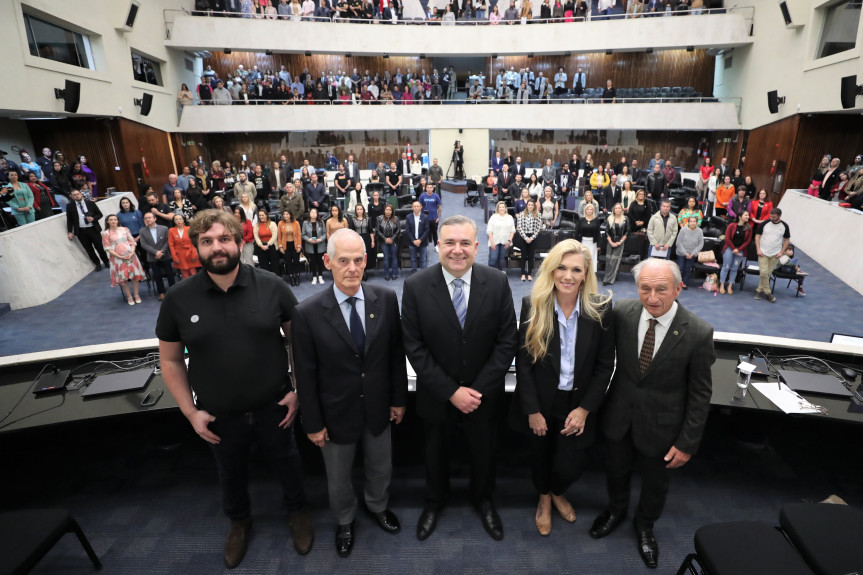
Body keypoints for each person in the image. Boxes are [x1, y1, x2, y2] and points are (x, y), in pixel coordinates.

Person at [156, 210, 314, 569]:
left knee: (288, 462)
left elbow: (300, 344)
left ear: (239, 242)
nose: (217, 248)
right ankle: (239, 521)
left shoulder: (273, 286)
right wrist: (189, 411)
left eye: (224, 239)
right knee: (230, 472)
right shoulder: (178, 299)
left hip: (276, 404)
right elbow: (170, 361)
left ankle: (299, 512)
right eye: (207, 241)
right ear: (196, 247)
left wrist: (299, 390)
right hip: (217, 413)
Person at [590, 258, 715, 569]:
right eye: (644, 289)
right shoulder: (623, 314)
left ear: (678, 288)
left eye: (661, 289)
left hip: (663, 428)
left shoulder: (698, 332)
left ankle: (645, 525)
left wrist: (687, 442)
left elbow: (700, 393)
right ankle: (616, 510)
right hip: (619, 417)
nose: (652, 298)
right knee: (615, 470)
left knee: (655, 483)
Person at [292, 229, 408, 558]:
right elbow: (305, 373)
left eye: (358, 260)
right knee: (339, 476)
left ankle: (378, 506)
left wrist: (399, 399)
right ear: (328, 262)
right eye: (343, 261)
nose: (352, 268)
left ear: (366, 261)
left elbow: (394, 354)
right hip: (334, 413)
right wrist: (312, 422)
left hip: (378, 406)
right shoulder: (307, 312)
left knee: (380, 467)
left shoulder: (385, 299)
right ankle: (345, 520)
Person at [401, 215, 518, 542]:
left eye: (465, 243)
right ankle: (434, 501)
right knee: (434, 453)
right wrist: (451, 392)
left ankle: (483, 499)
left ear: (477, 247)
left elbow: (508, 341)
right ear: (437, 246)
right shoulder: (415, 286)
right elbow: (414, 346)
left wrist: (476, 391)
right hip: (437, 397)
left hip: (484, 397)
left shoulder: (497, 282)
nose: (457, 250)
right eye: (449, 242)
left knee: (485, 453)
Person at [509, 239, 614, 537]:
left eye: (576, 270)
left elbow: (605, 365)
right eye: (562, 268)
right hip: (542, 400)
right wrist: (532, 409)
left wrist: (584, 409)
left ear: (586, 274)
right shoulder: (534, 304)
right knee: (539, 455)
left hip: (578, 401)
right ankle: (544, 498)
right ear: (552, 270)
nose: (568, 276)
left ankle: (557, 491)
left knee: (570, 462)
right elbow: (524, 363)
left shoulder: (601, 309)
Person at [101, 214, 146, 305]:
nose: (113, 221)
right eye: (111, 220)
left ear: (117, 221)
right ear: (107, 221)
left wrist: (132, 252)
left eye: (115, 219)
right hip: (117, 258)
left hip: (130, 255)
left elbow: (132, 242)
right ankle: (129, 296)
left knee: (134, 276)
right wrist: (119, 256)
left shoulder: (125, 229)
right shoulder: (105, 233)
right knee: (123, 278)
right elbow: (107, 248)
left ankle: (136, 294)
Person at [66, 188, 111, 272]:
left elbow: (100, 214)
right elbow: (69, 220)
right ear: (72, 197)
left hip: (93, 229)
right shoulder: (70, 206)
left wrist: (93, 218)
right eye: (74, 195)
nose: (76, 196)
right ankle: (97, 264)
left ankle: (106, 261)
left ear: (81, 194)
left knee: (100, 247)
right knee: (89, 249)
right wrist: (69, 231)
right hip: (81, 231)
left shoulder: (90, 203)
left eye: (77, 194)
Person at [754, 208, 790, 303]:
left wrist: (782, 252)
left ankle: (759, 290)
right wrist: (758, 249)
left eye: (773, 217)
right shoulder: (765, 223)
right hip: (763, 252)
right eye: (770, 216)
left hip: (776, 254)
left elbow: (787, 240)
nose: (771, 218)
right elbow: (757, 236)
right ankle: (768, 293)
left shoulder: (784, 226)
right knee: (763, 273)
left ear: (779, 216)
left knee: (767, 274)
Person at [718, 211, 752, 295]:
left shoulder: (749, 228)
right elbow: (727, 238)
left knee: (734, 268)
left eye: (748, 215)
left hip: (740, 250)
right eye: (746, 215)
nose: (748, 216)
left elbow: (748, 241)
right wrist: (734, 249)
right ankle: (722, 285)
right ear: (740, 217)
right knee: (726, 267)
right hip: (730, 248)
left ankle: (730, 285)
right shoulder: (731, 226)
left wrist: (738, 249)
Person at [169, 213, 202, 279]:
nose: (178, 221)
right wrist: (174, 257)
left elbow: (193, 243)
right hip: (179, 255)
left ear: (183, 220)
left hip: (190, 253)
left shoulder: (189, 229)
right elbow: (171, 245)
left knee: (193, 273)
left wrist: (194, 255)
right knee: (185, 275)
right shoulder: (171, 230)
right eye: (176, 219)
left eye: (180, 219)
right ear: (174, 221)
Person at [517, 198, 543, 282]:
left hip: (533, 237)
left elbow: (538, 228)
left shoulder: (538, 214)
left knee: (531, 256)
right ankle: (523, 273)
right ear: (526, 205)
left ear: (534, 206)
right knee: (523, 255)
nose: (530, 206)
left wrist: (531, 238)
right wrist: (525, 238)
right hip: (523, 236)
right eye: (529, 205)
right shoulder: (521, 214)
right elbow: (519, 227)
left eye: (532, 205)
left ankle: (529, 273)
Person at [674, 216, 704, 290]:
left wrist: (694, 253)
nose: (693, 223)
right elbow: (678, 242)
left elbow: (701, 244)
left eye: (694, 221)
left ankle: (684, 283)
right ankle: (677, 283)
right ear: (688, 222)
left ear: (697, 223)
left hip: (692, 254)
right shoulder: (683, 230)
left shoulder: (700, 231)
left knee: (688, 269)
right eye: (691, 221)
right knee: (680, 268)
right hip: (682, 253)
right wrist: (685, 253)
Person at [603, 203, 629, 285]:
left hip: (620, 243)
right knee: (608, 261)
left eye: (619, 208)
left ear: (621, 209)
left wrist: (620, 242)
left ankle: (608, 280)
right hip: (610, 242)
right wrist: (611, 242)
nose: (618, 209)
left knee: (614, 261)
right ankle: (607, 277)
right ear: (614, 210)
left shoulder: (625, 219)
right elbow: (606, 232)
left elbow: (627, 232)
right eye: (616, 208)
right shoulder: (609, 218)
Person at [486, 201, 515, 272]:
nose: (501, 208)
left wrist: (509, 240)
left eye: (503, 207)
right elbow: (489, 230)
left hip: (505, 242)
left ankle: (500, 272)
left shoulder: (509, 217)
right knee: (493, 258)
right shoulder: (493, 217)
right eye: (500, 207)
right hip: (494, 241)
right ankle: (490, 272)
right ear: (497, 209)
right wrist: (492, 242)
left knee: (502, 259)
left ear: (505, 208)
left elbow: (512, 230)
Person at [349, 204, 375, 281]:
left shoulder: (367, 219)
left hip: (366, 238)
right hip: (356, 238)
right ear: (355, 211)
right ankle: (358, 271)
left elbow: (371, 231)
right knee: (358, 255)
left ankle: (364, 271)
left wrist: (372, 241)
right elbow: (351, 231)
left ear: (363, 210)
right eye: (358, 209)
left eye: (361, 209)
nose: (359, 211)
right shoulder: (352, 219)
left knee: (366, 255)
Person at [375, 203, 401, 281]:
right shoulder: (379, 218)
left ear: (392, 211)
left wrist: (392, 238)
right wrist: (385, 239)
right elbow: (377, 230)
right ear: (384, 210)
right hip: (383, 241)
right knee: (386, 258)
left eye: (390, 210)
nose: (388, 211)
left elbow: (398, 230)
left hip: (394, 241)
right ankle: (386, 274)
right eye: (387, 209)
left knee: (394, 257)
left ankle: (394, 273)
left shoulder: (396, 218)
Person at [277, 209, 303, 286]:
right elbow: (279, 236)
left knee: (296, 261)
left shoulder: (296, 223)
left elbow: (298, 235)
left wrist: (299, 246)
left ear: (290, 215)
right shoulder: (280, 223)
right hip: (286, 245)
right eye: (284, 214)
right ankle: (291, 277)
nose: (285, 216)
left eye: (287, 214)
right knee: (288, 262)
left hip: (294, 244)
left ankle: (297, 276)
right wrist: (280, 247)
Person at [303, 207, 327, 285]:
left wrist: (320, 239)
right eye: (312, 212)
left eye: (315, 213)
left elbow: (325, 234)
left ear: (317, 214)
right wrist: (308, 239)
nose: (313, 214)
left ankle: (320, 276)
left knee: (320, 261)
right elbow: (303, 234)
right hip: (310, 244)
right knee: (312, 261)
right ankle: (314, 276)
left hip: (320, 244)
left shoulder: (321, 222)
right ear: (309, 214)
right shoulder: (305, 223)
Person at [406, 200, 430, 273]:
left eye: (417, 206)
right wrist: (413, 240)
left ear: (421, 207)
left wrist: (420, 240)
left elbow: (427, 230)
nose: (416, 208)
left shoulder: (425, 217)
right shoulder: (408, 217)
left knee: (423, 259)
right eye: (414, 206)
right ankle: (414, 276)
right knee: (413, 259)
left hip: (422, 242)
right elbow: (407, 230)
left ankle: (423, 276)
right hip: (412, 242)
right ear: (412, 208)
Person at [419, 183, 443, 248]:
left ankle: (436, 245)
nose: (429, 189)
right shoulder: (422, 196)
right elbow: (419, 207)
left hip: (434, 218)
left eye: (430, 187)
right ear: (426, 188)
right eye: (428, 187)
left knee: (435, 233)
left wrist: (439, 217)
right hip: (425, 218)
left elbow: (439, 208)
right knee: (424, 233)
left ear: (433, 188)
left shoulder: (436, 196)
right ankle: (425, 245)